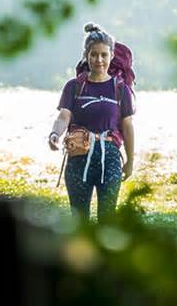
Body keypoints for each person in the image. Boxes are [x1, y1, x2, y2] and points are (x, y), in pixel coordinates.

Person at [48, 23, 135, 222]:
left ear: (112, 55)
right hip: (78, 158)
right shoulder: (74, 86)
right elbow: (64, 116)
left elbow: (128, 127)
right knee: (79, 221)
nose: (99, 60)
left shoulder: (121, 89)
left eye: (104, 55)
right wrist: (55, 134)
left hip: (111, 159)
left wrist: (130, 161)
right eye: (94, 54)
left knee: (107, 218)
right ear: (86, 55)